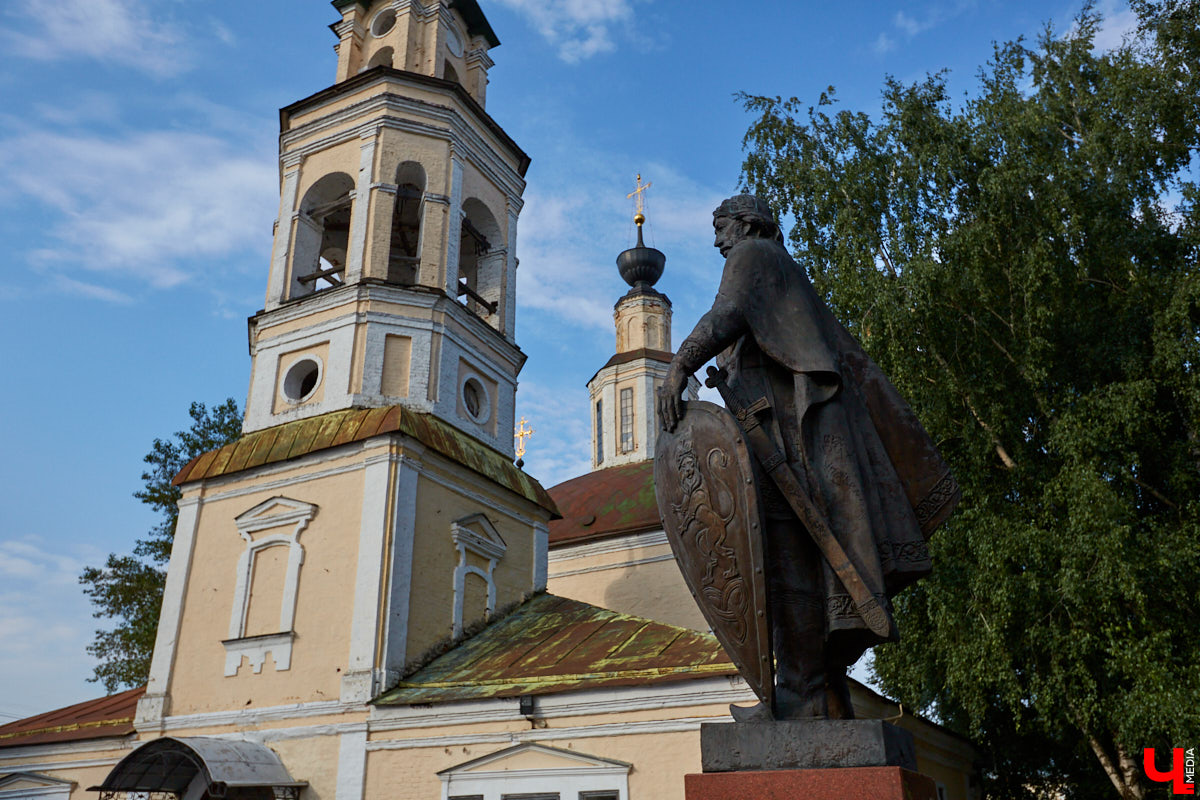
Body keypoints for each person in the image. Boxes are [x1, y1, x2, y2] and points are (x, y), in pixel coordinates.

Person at [657, 194, 958, 720]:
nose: (717, 239)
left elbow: (727, 315)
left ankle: (801, 694)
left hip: (789, 443)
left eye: (722, 227)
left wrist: (679, 365)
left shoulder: (753, 255)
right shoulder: (779, 267)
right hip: (786, 439)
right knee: (805, 568)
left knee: (788, 565)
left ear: (747, 224)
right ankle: (823, 694)